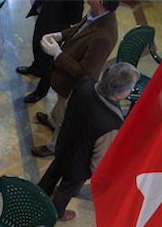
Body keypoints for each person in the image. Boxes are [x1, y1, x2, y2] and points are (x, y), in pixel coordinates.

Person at [37, 62, 139, 221]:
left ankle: (40, 193)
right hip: (78, 166)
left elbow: (67, 108)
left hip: (64, 143)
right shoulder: (112, 123)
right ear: (120, 95)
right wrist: (92, 173)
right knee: (66, 189)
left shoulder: (83, 84)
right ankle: (57, 212)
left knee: (54, 169)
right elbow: (99, 158)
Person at [31, 0, 119, 158]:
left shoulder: (103, 36)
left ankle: (53, 146)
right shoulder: (96, 13)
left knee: (64, 118)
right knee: (60, 105)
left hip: (73, 85)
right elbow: (79, 30)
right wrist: (60, 35)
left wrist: (57, 53)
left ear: (100, 1)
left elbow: (84, 72)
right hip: (65, 79)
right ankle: (52, 120)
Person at [16, 0, 83, 104]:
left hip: (56, 26)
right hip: (44, 16)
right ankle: (36, 69)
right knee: (37, 45)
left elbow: (75, 18)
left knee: (48, 62)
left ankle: (41, 91)